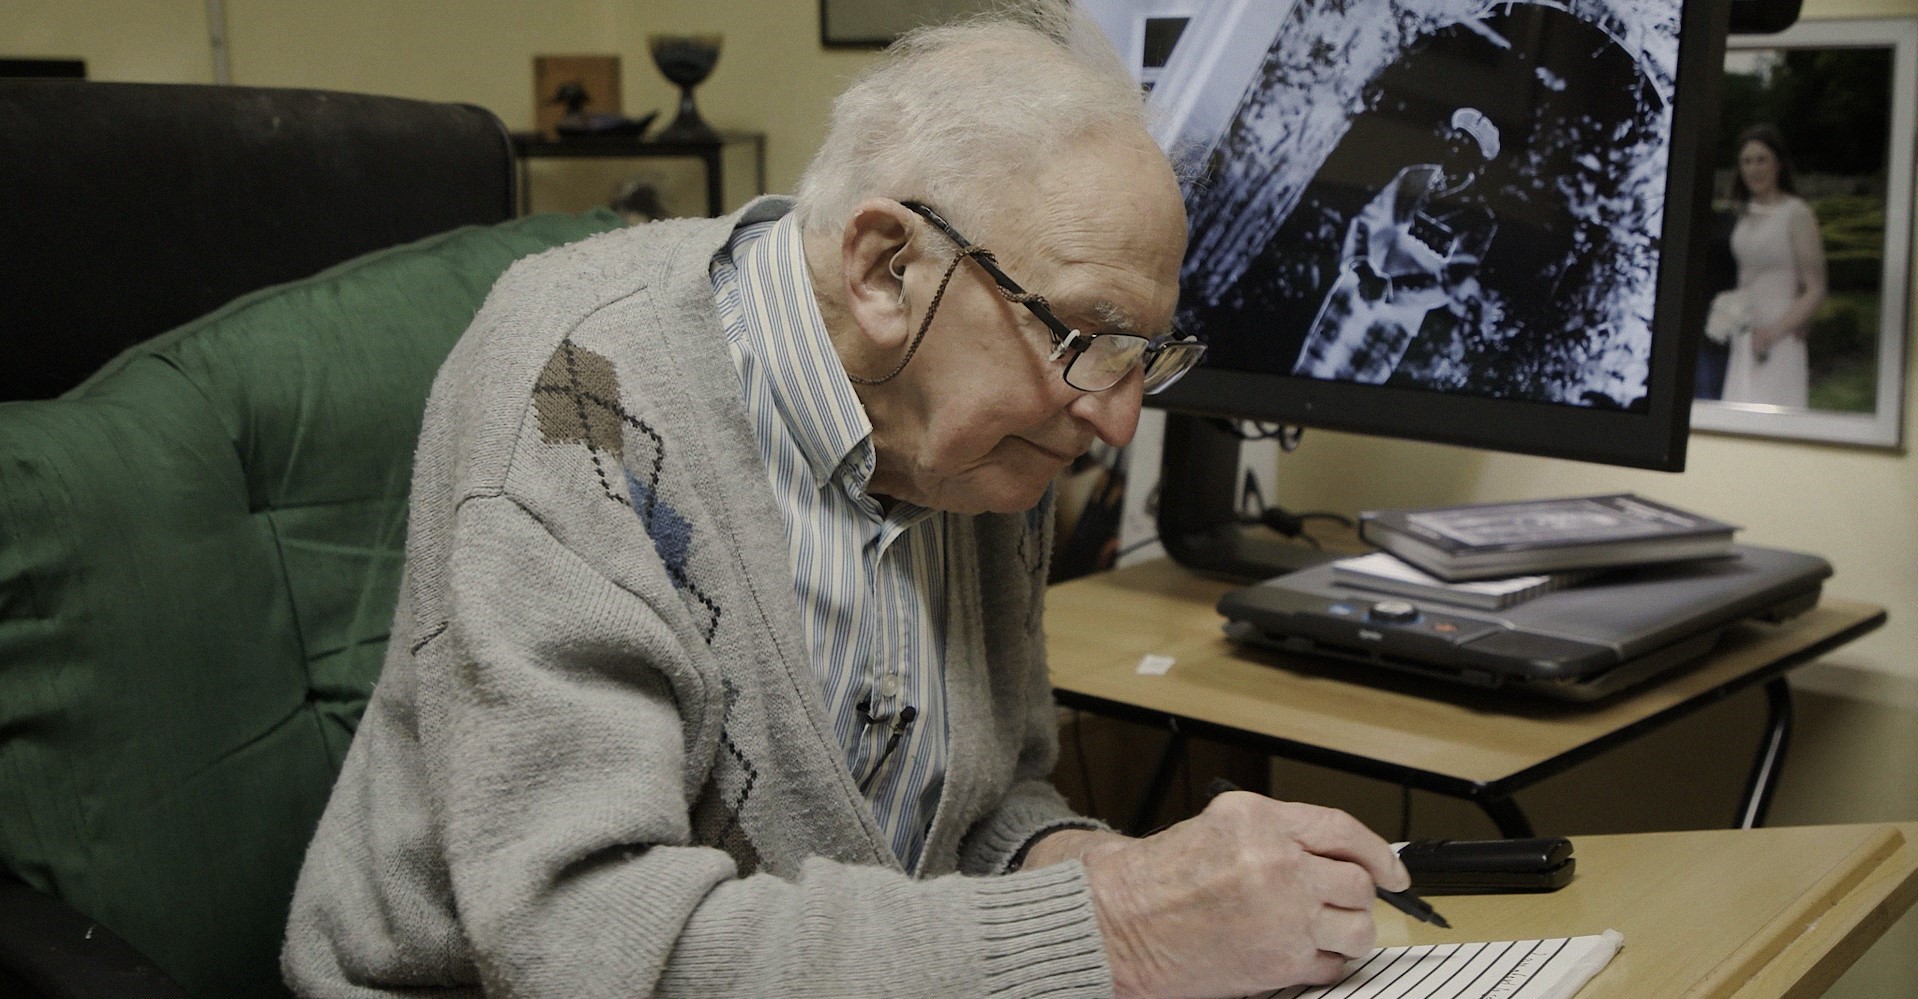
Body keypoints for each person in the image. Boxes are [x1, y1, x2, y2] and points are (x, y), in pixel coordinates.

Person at [281, 6, 1410, 998]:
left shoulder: (978, 433)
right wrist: (1113, 935)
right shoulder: (578, 395)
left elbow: (987, 811)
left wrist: (1130, 881)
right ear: (884, 268)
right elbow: (581, 946)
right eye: (1084, 338)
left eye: (1140, 356)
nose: (1114, 422)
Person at [1292, 107, 1500, 383]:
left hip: (1399, 313)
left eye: (1465, 148)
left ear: (1477, 162)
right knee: (1311, 369)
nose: (1454, 150)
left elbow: (1450, 281)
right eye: (1454, 140)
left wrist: (1390, 289)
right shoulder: (1413, 177)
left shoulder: (1479, 219)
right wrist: (1362, 267)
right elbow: (1367, 220)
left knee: (1354, 388)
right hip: (1356, 287)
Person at [1719, 124, 1827, 408]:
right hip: (1744, 335)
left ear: (1778, 164)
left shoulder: (1796, 213)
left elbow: (1815, 289)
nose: (1754, 169)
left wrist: (1773, 333)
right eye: (1747, 161)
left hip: (1780, 336)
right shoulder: (1744, 214)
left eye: (1761, 160)